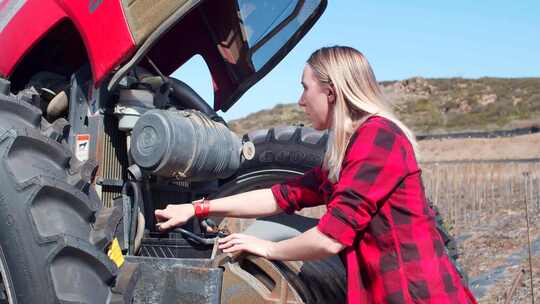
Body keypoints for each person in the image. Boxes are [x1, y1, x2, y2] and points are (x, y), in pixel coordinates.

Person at [155, 46, 477, 303]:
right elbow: (281, 195)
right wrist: (198, 207)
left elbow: (329, 238)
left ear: (332, 92)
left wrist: (266, 248)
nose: (300, 100)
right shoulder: (351, 147)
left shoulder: (378, 139)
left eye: (305, 88)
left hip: (416, 295)